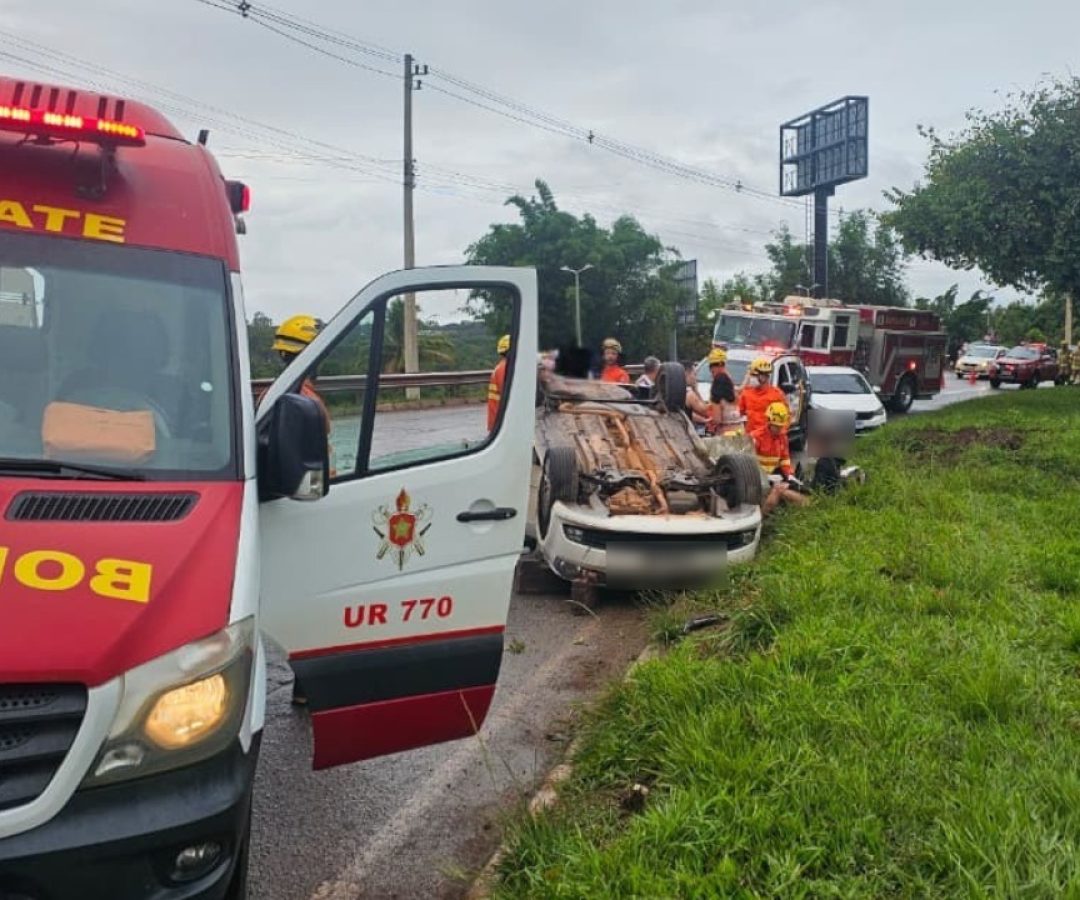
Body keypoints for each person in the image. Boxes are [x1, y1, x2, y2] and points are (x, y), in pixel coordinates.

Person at [750, 401, 810, 515]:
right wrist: (765, 477)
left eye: (781, 426)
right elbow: (749, 462)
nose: (779, 429)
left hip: (774, 476)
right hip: (757, 477)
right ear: (769, 422)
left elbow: (785, 460)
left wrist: (790, 475)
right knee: (777, 491)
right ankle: (762, 518)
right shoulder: (756, 437)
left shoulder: (783, 438)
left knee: (790, 490)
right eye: (776, 426)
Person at [737, 356, 787, 434]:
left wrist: (779, 434)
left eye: (753, 375)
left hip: (768, 439)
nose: (751, 378)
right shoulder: (746, 393)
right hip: (751, 437)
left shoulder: (776, 395)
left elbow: (785, 417)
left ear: (764, 377)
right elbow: (738, 413)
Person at [704, 347, 741, 435]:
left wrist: (709, 421)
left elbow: (717, 420)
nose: (711, 370)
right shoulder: (733, 394)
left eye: (712, 366)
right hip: (739, 432)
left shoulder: (716, 398)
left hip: (725, 435)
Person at [488, 334, 510, 431]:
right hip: (502, 422)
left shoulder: (502, 366)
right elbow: (509, 395)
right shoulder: (505, 368)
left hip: (499, 419)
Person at [682, 360, 711, 430]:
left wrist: (703, 420)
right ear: (686, 374)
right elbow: (705, 410)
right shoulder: (689, 395)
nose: (695, 378)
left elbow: (684, 414)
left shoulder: (671, 391)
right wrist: (696, 390)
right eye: (694, 374)